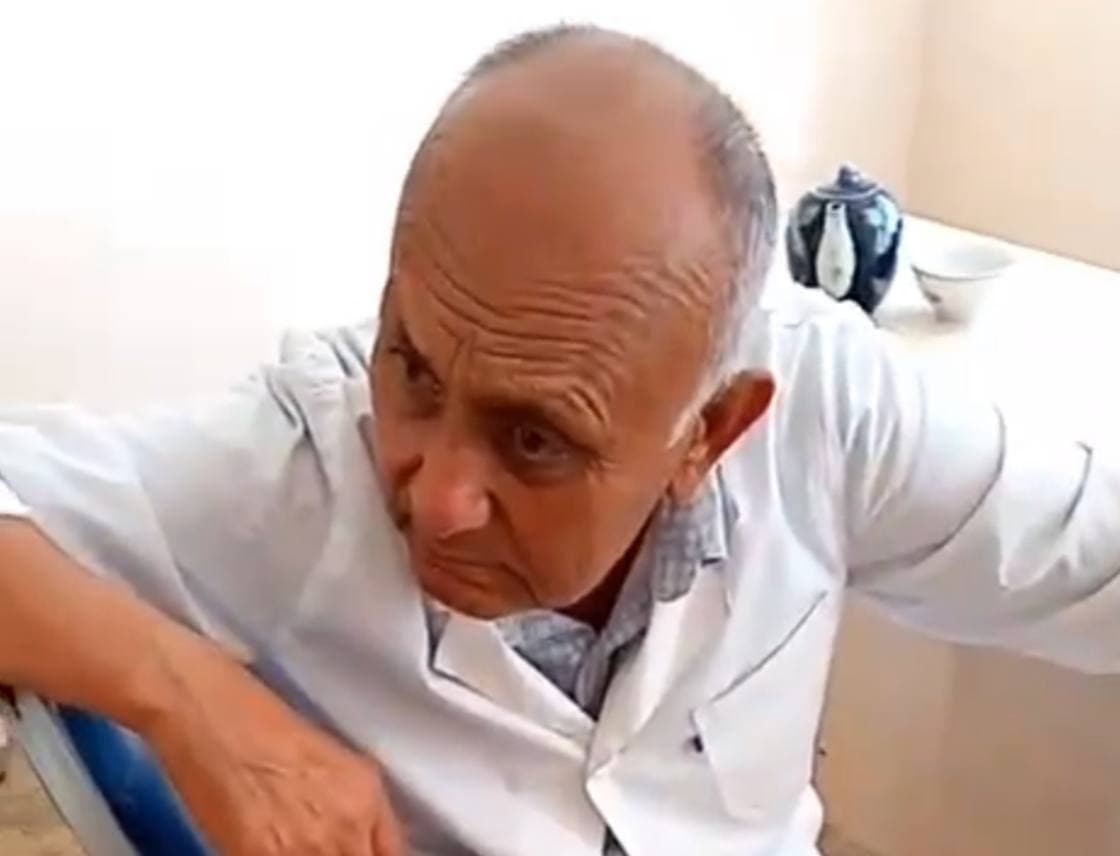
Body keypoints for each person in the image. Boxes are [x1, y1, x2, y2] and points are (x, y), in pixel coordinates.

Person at [0, 24, 1117, 856]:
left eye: (535, 441)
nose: (437, 498)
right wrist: (189, 694)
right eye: (414, 368)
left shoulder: (829, 409)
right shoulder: (294, 464)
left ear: (710, 432)